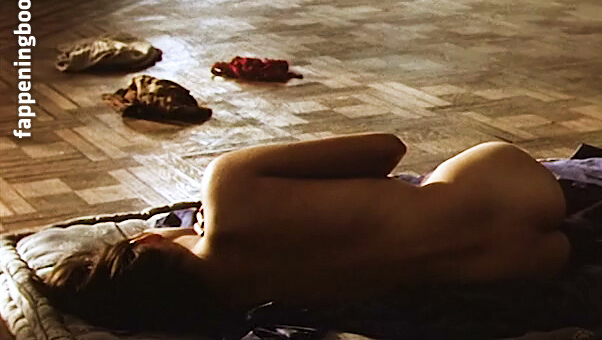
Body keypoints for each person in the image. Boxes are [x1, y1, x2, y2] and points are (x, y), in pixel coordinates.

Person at [44, 133, 569, 334]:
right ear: (146, 240)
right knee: (431, 187)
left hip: (518, 264)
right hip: (512, 185)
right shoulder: (228, 186)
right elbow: (386, 150)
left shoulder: (248, 308)